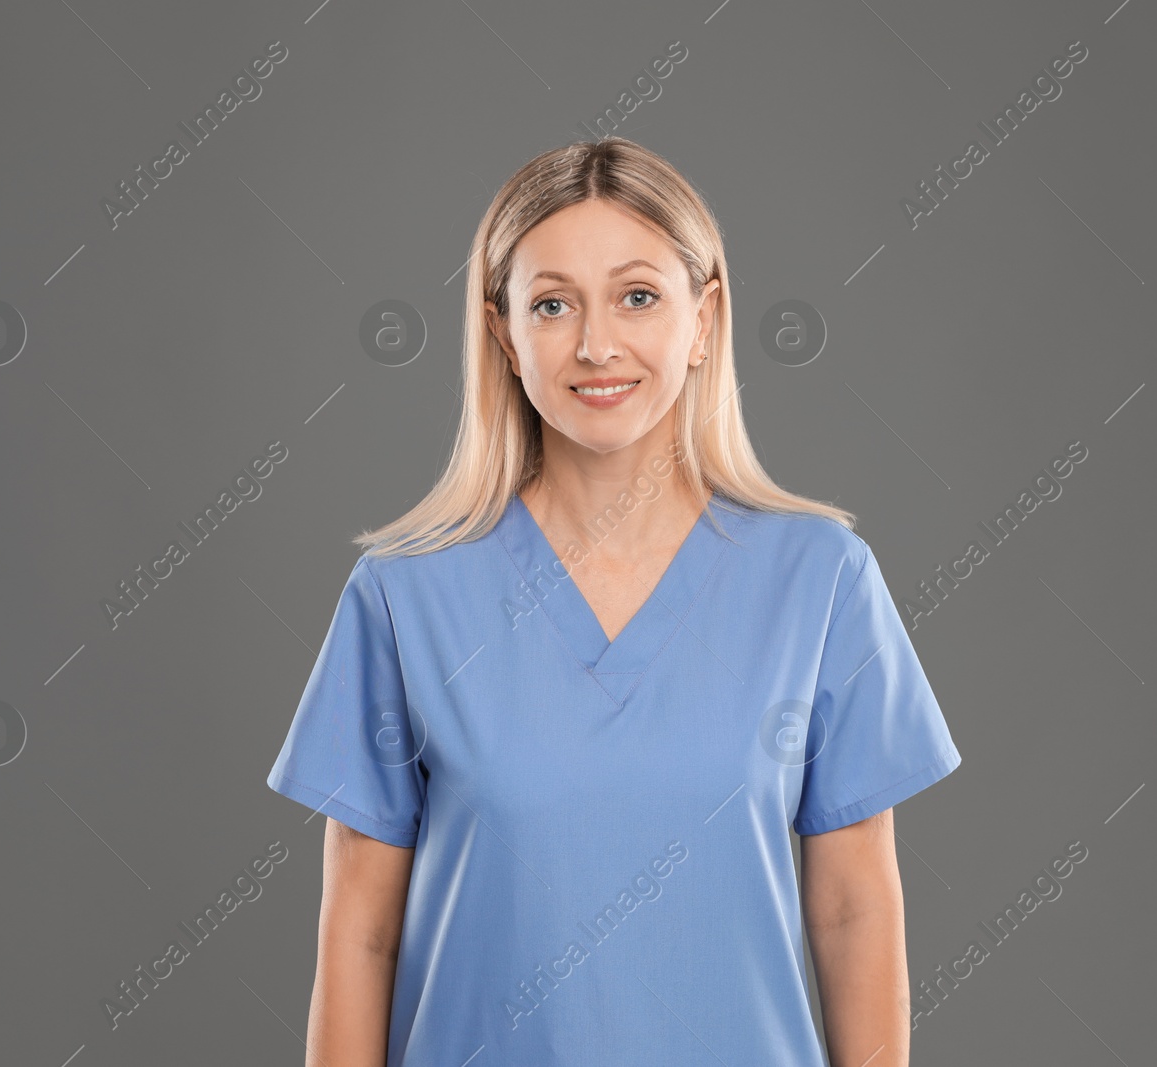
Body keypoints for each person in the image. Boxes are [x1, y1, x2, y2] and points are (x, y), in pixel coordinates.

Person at [266, 136, 962, 1067]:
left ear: (705, 316)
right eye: (552, 304)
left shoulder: (820, 579)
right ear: (504, 331)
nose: (596, 344)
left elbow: (852, 909)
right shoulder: (406, 595)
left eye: (639, 296)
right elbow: (360, 932)